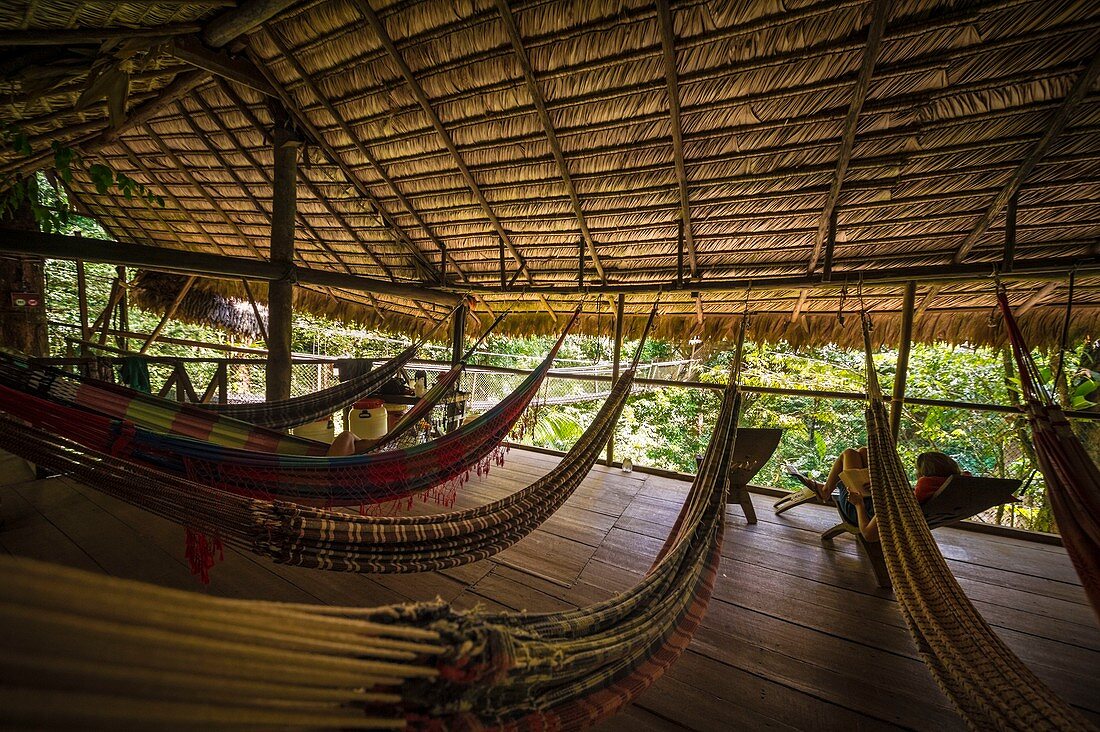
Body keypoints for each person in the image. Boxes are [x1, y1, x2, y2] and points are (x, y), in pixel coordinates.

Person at [787, 449, 961, 542]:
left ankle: (825, 491)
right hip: (877, 503)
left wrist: (859, 504)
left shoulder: (906, 502)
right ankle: (825, 490)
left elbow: (869, 534)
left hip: (861, 511)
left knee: (849, 454)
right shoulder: (941, 490)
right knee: (863, 452)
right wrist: (883, 488)